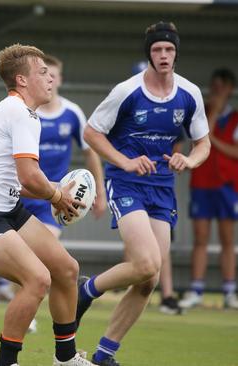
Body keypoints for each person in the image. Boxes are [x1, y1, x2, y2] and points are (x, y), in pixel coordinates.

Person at [76, 22, 210, 365]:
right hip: (125, 182)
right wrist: (125, 161)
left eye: (168, 49)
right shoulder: (127, 91)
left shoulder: (190, 93)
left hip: (162, 187)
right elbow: (92, 133)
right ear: (149, 55)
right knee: (148, 262)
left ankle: (105, 353)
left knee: (149, 279)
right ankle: (87, 291)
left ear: (176, 52)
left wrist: (190, 159)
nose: (163, 55)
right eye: (156, 50)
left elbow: (203, 143)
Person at [0, 43, 93, 366]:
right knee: (38, 279)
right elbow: (30, 178)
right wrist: (57, 196)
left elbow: (17, 181)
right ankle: (7, 362)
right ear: (22, 80)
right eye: (42, 72)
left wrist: (57, 190)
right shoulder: (19, 113)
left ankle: (66, 358)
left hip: (5, 209)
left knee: (66, 269)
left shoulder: (19, 112)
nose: (50, 79)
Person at [179, 68, 238, 310]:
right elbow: (198, 141)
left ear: (231, 90)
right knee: (200, 238)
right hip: (201, 184)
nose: (217, 91)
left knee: (227, 239)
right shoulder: (201, 114)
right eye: (214, 86)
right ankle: (196, 288)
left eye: (222, 87)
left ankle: (230, 291)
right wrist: (215, 113)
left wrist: (215, 143)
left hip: (227, 186)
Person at [20, 54, 106, 238]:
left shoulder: (72, 112)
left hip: (55, 195)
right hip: (23, 193)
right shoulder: (26, 113)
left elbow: (90, 152)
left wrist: (100, 191)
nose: (50, 79)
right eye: (45, 74)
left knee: (45, 244)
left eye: (54, 75)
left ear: (60, 79)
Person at [130, 59, 182, 316]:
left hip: (160, 187)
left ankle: (167, 294)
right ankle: (98, 288)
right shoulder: (127, 101)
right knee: (140, 252)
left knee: (161, 251)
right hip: (131, 185)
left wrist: (178, 160)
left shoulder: (175, 104)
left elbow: (177, 145)